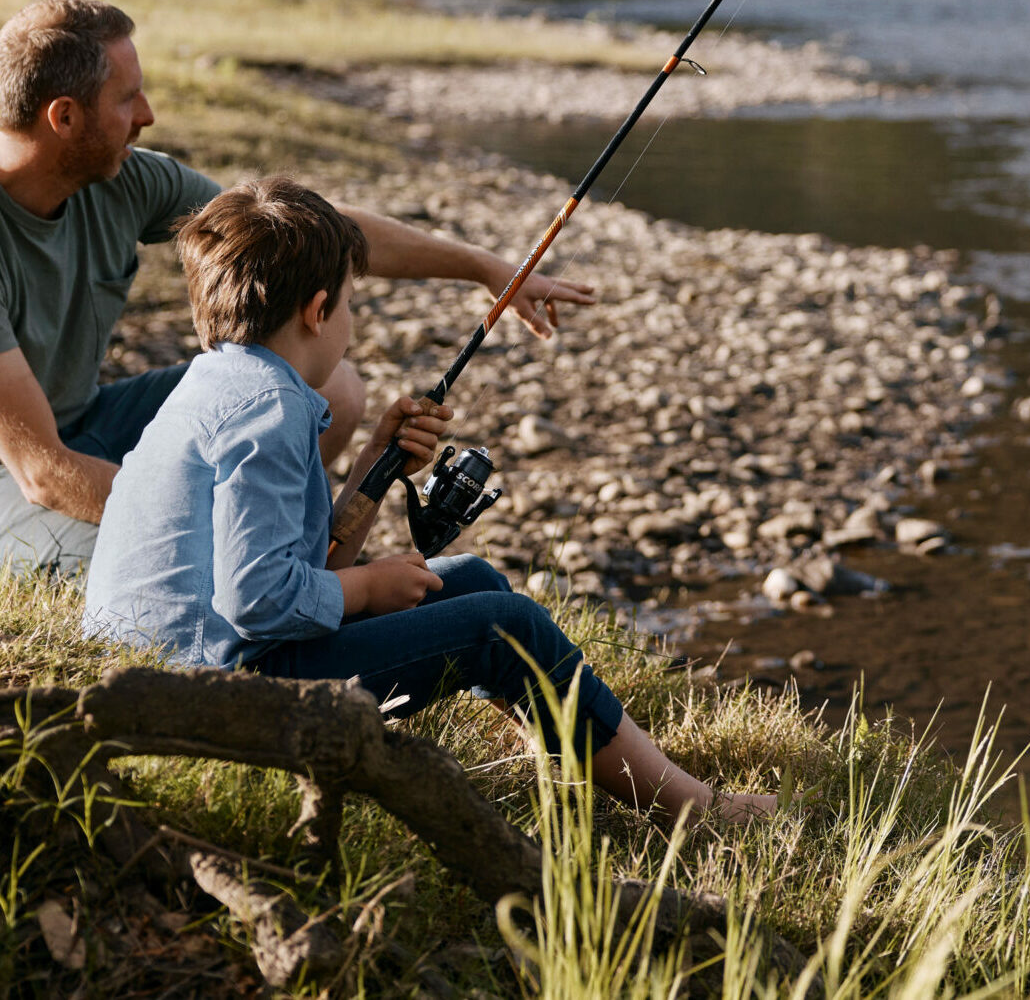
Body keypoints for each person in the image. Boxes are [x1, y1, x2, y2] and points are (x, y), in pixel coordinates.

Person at [83, 177, 774, 823]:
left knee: (469, 578)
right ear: (318, 310)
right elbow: (258, 600)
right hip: (213, 697)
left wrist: (374, 469)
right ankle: (692, 808)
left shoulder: (221, 384)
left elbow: (298, 562)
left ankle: (573, 748)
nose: (349, 318)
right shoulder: (270, 408)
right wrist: (364, 587)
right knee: (502, 623)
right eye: (349, 302)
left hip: (175, 669)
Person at [0, 0, 590, 572]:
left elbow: (303, 232)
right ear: (65, 117)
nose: (149, 114)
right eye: (128, 98)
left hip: (92, 420)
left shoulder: (125, 179)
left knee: (332, 389)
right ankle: (274, 566)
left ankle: (289, 564)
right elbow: (43, 471)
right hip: (18, 473)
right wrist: (225, 521)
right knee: (171, 561)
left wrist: (488, 269)